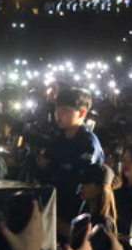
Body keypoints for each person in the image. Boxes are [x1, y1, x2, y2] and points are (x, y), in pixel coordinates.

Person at [37, 87, 105, 222]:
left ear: (82, 113)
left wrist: (49, 166)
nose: (58, 114)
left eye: (65, 110)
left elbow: (79, 181)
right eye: (57, 109)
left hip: (76, 214)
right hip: (52, 206)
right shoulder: (58, 138)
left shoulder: (88, 143)